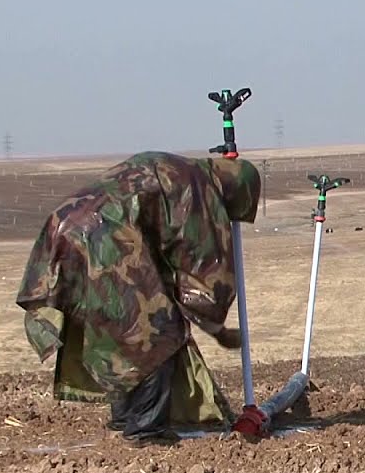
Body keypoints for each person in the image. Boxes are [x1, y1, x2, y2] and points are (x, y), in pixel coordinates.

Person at [15, 150, 260, 444]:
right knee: (154, 332)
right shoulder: (199, 187)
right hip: (104, 240)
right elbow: (203, 263)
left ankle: (124, 415)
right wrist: (213, 321)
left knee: (115, 329)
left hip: (66, 226)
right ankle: (145, 430)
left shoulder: (173, 167)